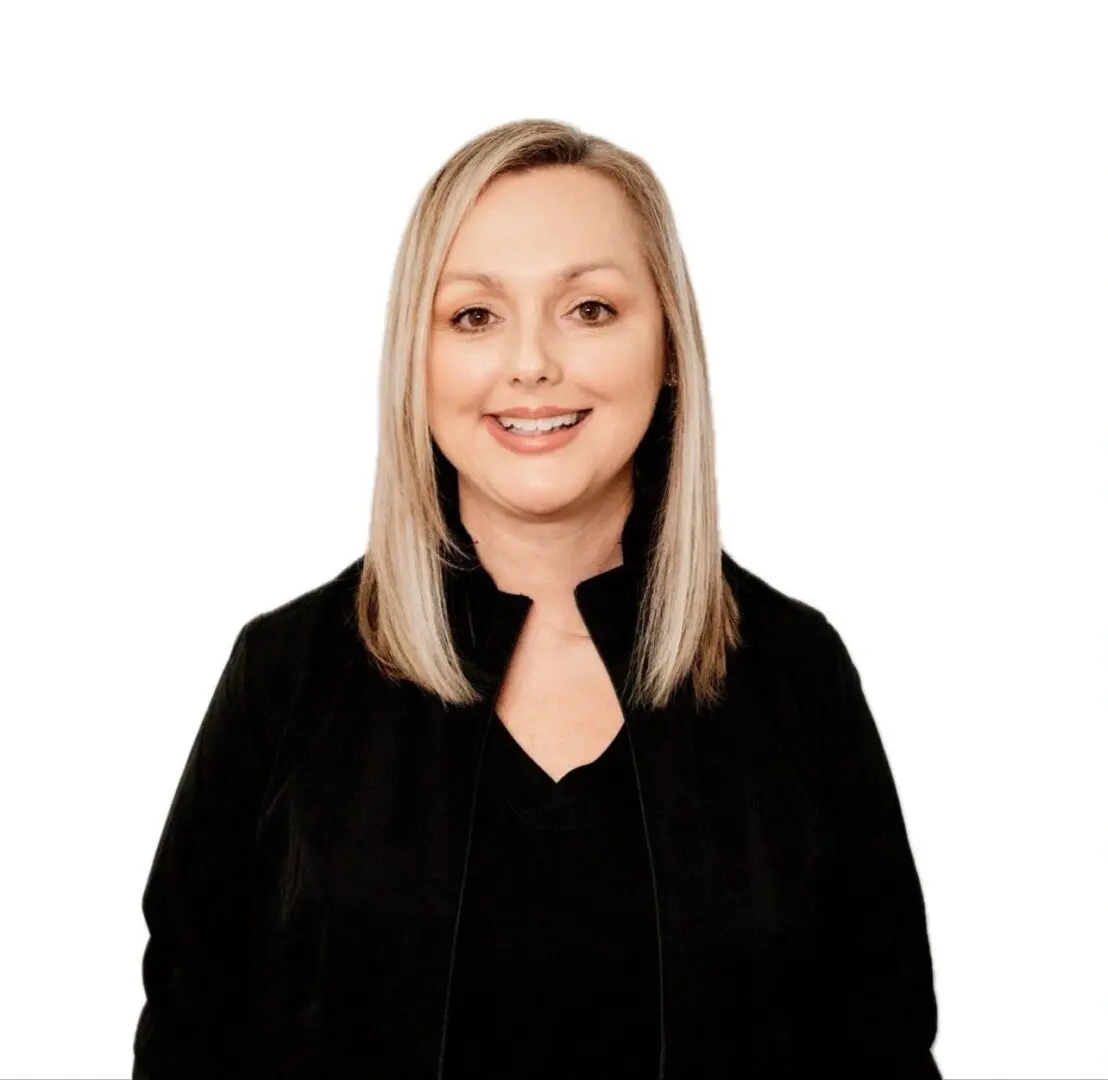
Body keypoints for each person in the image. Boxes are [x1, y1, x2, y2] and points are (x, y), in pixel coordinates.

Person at [132, 118, 941, 1079]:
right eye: (475, 316)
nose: (531, 364)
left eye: (589, 309)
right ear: (416, 361)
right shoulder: (286, 673)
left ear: (671, 345)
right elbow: (188, 1046)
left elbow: (883, 1049)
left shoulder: (796, 671)